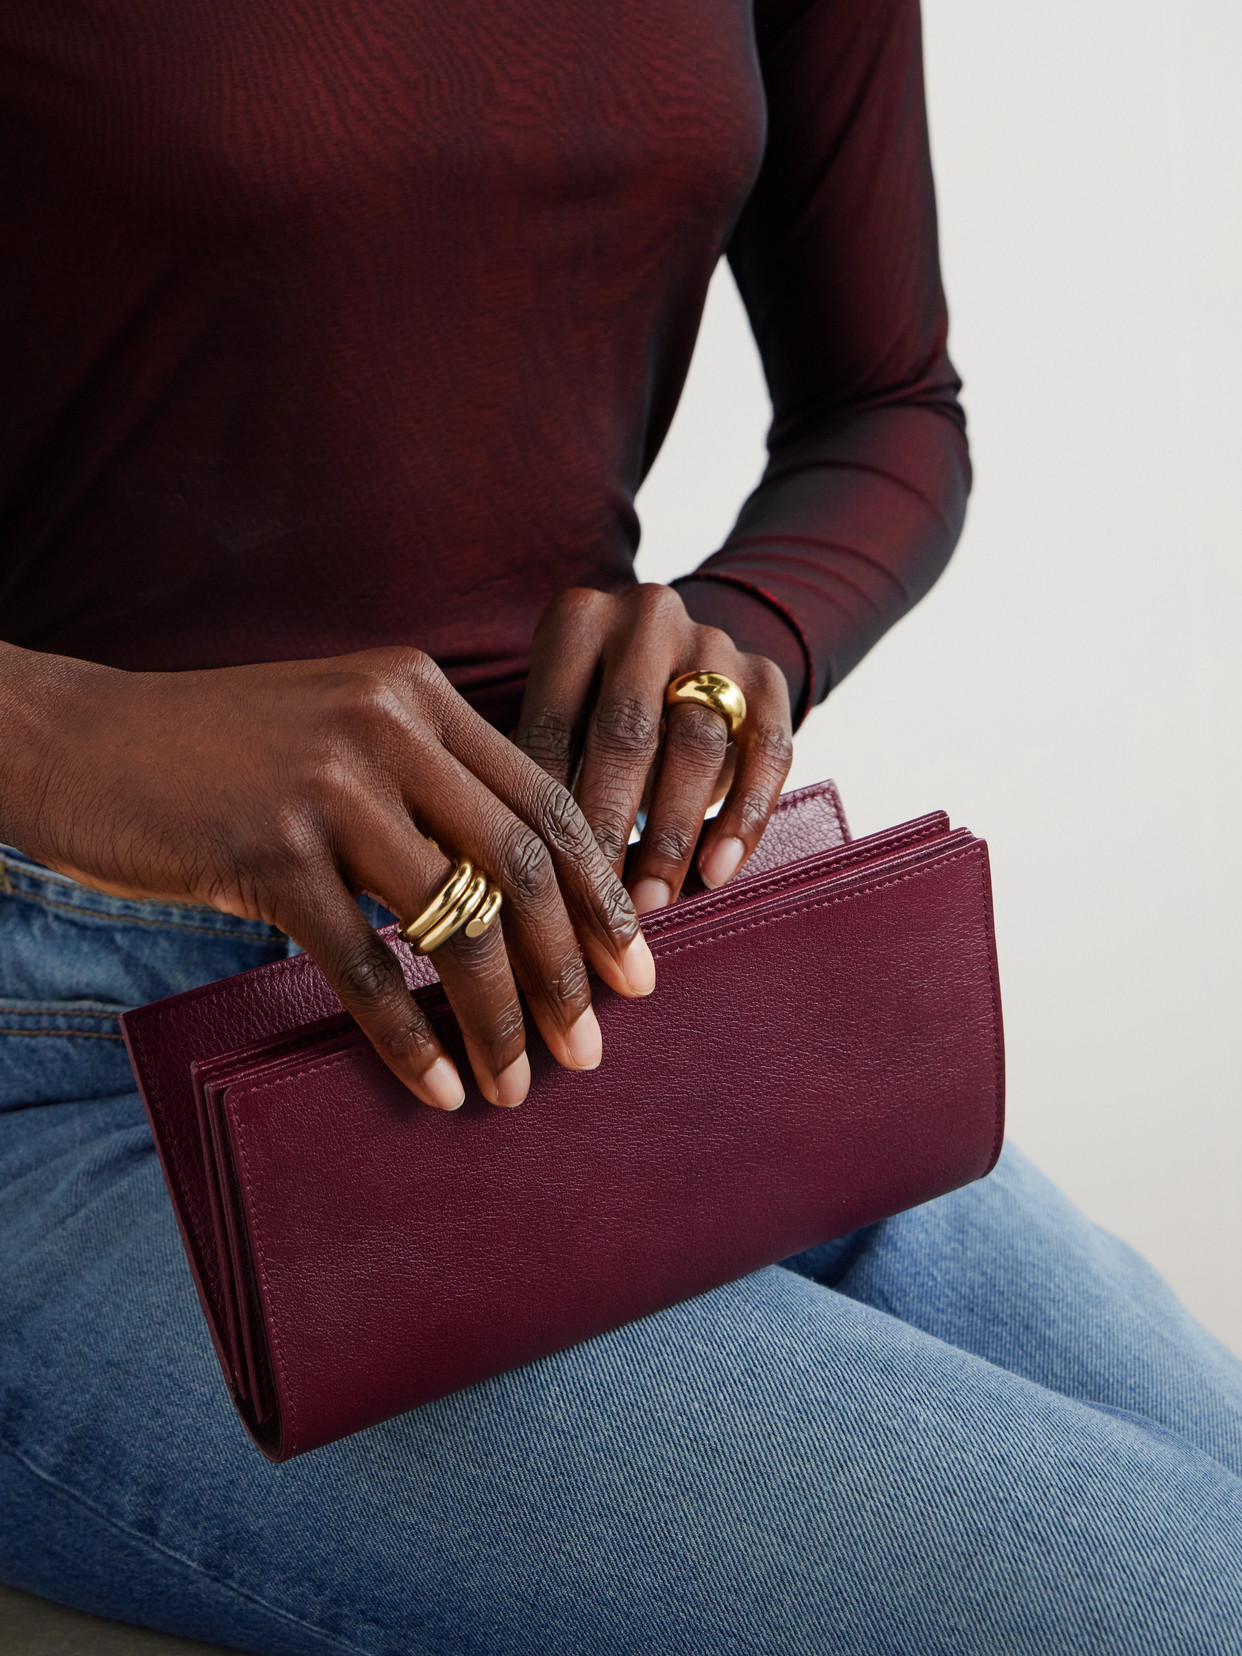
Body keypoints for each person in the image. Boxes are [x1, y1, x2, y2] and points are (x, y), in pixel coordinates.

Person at [1, 0, 1239, 1649]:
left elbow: (887, 401)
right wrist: (64, 732)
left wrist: (736, 634)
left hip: (606, 972)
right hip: (59, 1054)